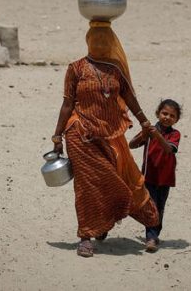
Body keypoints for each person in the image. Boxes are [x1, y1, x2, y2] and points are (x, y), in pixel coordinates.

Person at [51, 21, 159, 258]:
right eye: (95, 39)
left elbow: (128, 96)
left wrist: (143, 121)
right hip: (80, 134)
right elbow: (67, 103)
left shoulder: (116, 69)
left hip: (113, 135)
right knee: (87, 186)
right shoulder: (76, 68)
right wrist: (57, 134)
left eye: (104, 40)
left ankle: (149, 229)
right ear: (88, 40)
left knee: (127, 178)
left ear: (110, 42)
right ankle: (86, 236)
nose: (99, 44)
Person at [129, 99, 182, 253]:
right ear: (158, 113)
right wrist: (144, 134)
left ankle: (155, 233)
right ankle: (150, 237)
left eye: (172, 116)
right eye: (164, 113)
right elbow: (131, 145)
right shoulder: (150, 130)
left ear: (176, 120)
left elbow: (169, 149)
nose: (167, 117)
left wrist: (156, 135)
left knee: (160, 206)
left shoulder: (175, 134)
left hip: (165, 178)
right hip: (149, 175)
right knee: (150, 206)